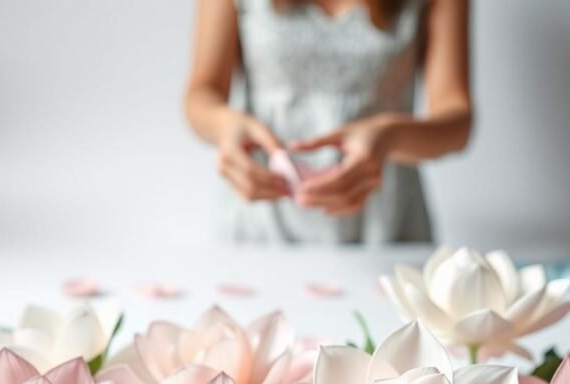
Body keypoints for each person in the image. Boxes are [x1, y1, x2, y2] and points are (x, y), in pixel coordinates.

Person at [185, 0, 472, 244]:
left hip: (385, 227)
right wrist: (224, 127)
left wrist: (390, 137)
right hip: (260, 226)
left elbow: (457, 121)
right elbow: (201, 94)